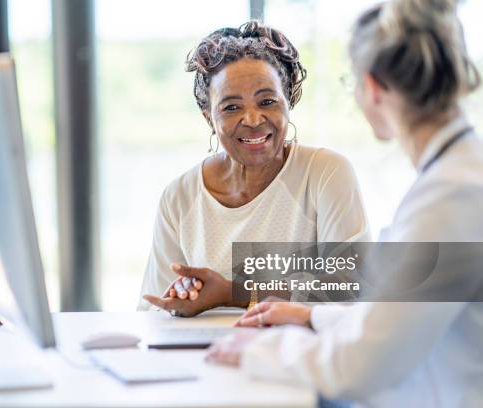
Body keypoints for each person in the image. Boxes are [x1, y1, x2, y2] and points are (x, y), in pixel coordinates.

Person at [206, 0, 483, 406]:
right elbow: (399, 315)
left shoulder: (451, 197)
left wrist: (256, 351)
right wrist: (313, 315)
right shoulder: (458, 175)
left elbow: (357, 368)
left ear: (371, 87)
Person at [138, 22, 370, 315]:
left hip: (299, 354)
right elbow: (153, 310)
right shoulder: (179, 197)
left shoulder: (326, 173)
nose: (252, 118)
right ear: (209, 117)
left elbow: (351, 288)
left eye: (267, 101)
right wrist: (179, 297)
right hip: (206, 355)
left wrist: (231, 292)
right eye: (231, 107)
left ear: (289, 102)